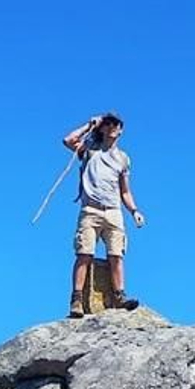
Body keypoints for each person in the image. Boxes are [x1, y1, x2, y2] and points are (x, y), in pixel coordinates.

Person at [61, 112, 145, 317]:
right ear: (102, 128)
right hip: (91, 210)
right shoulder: (90, 149)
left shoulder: (123, 159)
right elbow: (68, 140)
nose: (112, 127)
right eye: (108, 123)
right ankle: (76, 299)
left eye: (116, 124)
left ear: (121, 130)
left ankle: (119, 296)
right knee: (84, 254)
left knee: (116, 255)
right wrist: (89, 124)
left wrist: (134, 211)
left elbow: (125, 191)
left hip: (113, 211)